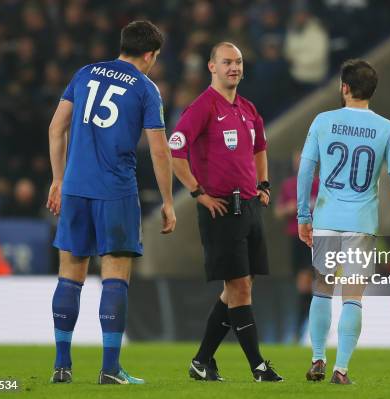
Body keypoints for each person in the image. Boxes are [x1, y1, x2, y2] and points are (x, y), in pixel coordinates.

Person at [46, 21, 176, 385]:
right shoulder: (146, 88)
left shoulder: (84, 73)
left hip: (74, 189)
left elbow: (57, 128)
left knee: (69, 275)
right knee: (115, 277)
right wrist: (168, 201)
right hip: (115, 191)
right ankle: (110, 369)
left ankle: (61, 366)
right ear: (150, 55)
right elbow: (159, 150)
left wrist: (58, 179)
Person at [170, 42, 283, 382]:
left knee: (239, 286)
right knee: (240, 289)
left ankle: (202, 361)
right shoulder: (202, 107)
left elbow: (260, 147)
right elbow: (176, 150)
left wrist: (264, 185)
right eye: (226, 62)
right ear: (211, 67)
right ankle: (258, 366)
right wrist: (197, 193)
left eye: (238, 62)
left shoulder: (248, 109)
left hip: (249, 206)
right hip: (221, 208)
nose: (233, 67)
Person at [297, 59, 390, 384]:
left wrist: (303, 216)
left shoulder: (323, 121)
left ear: (344, 88)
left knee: (322, 289)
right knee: (352, 296)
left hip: (325, 219)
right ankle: (341, 368)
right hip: (360, 223)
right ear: (372, 91)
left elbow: (306, 171)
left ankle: (317, 358)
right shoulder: (386, 128)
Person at [274, 150, 318, 341]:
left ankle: (305, 328)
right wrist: (287, 209)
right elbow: (277, 212)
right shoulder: (289, 186)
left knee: (311, 282)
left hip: (318, 238)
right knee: (304, 285)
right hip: (297, 239)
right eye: (297, 161)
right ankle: (303, 328)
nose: (300, 164)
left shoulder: (320, 184)